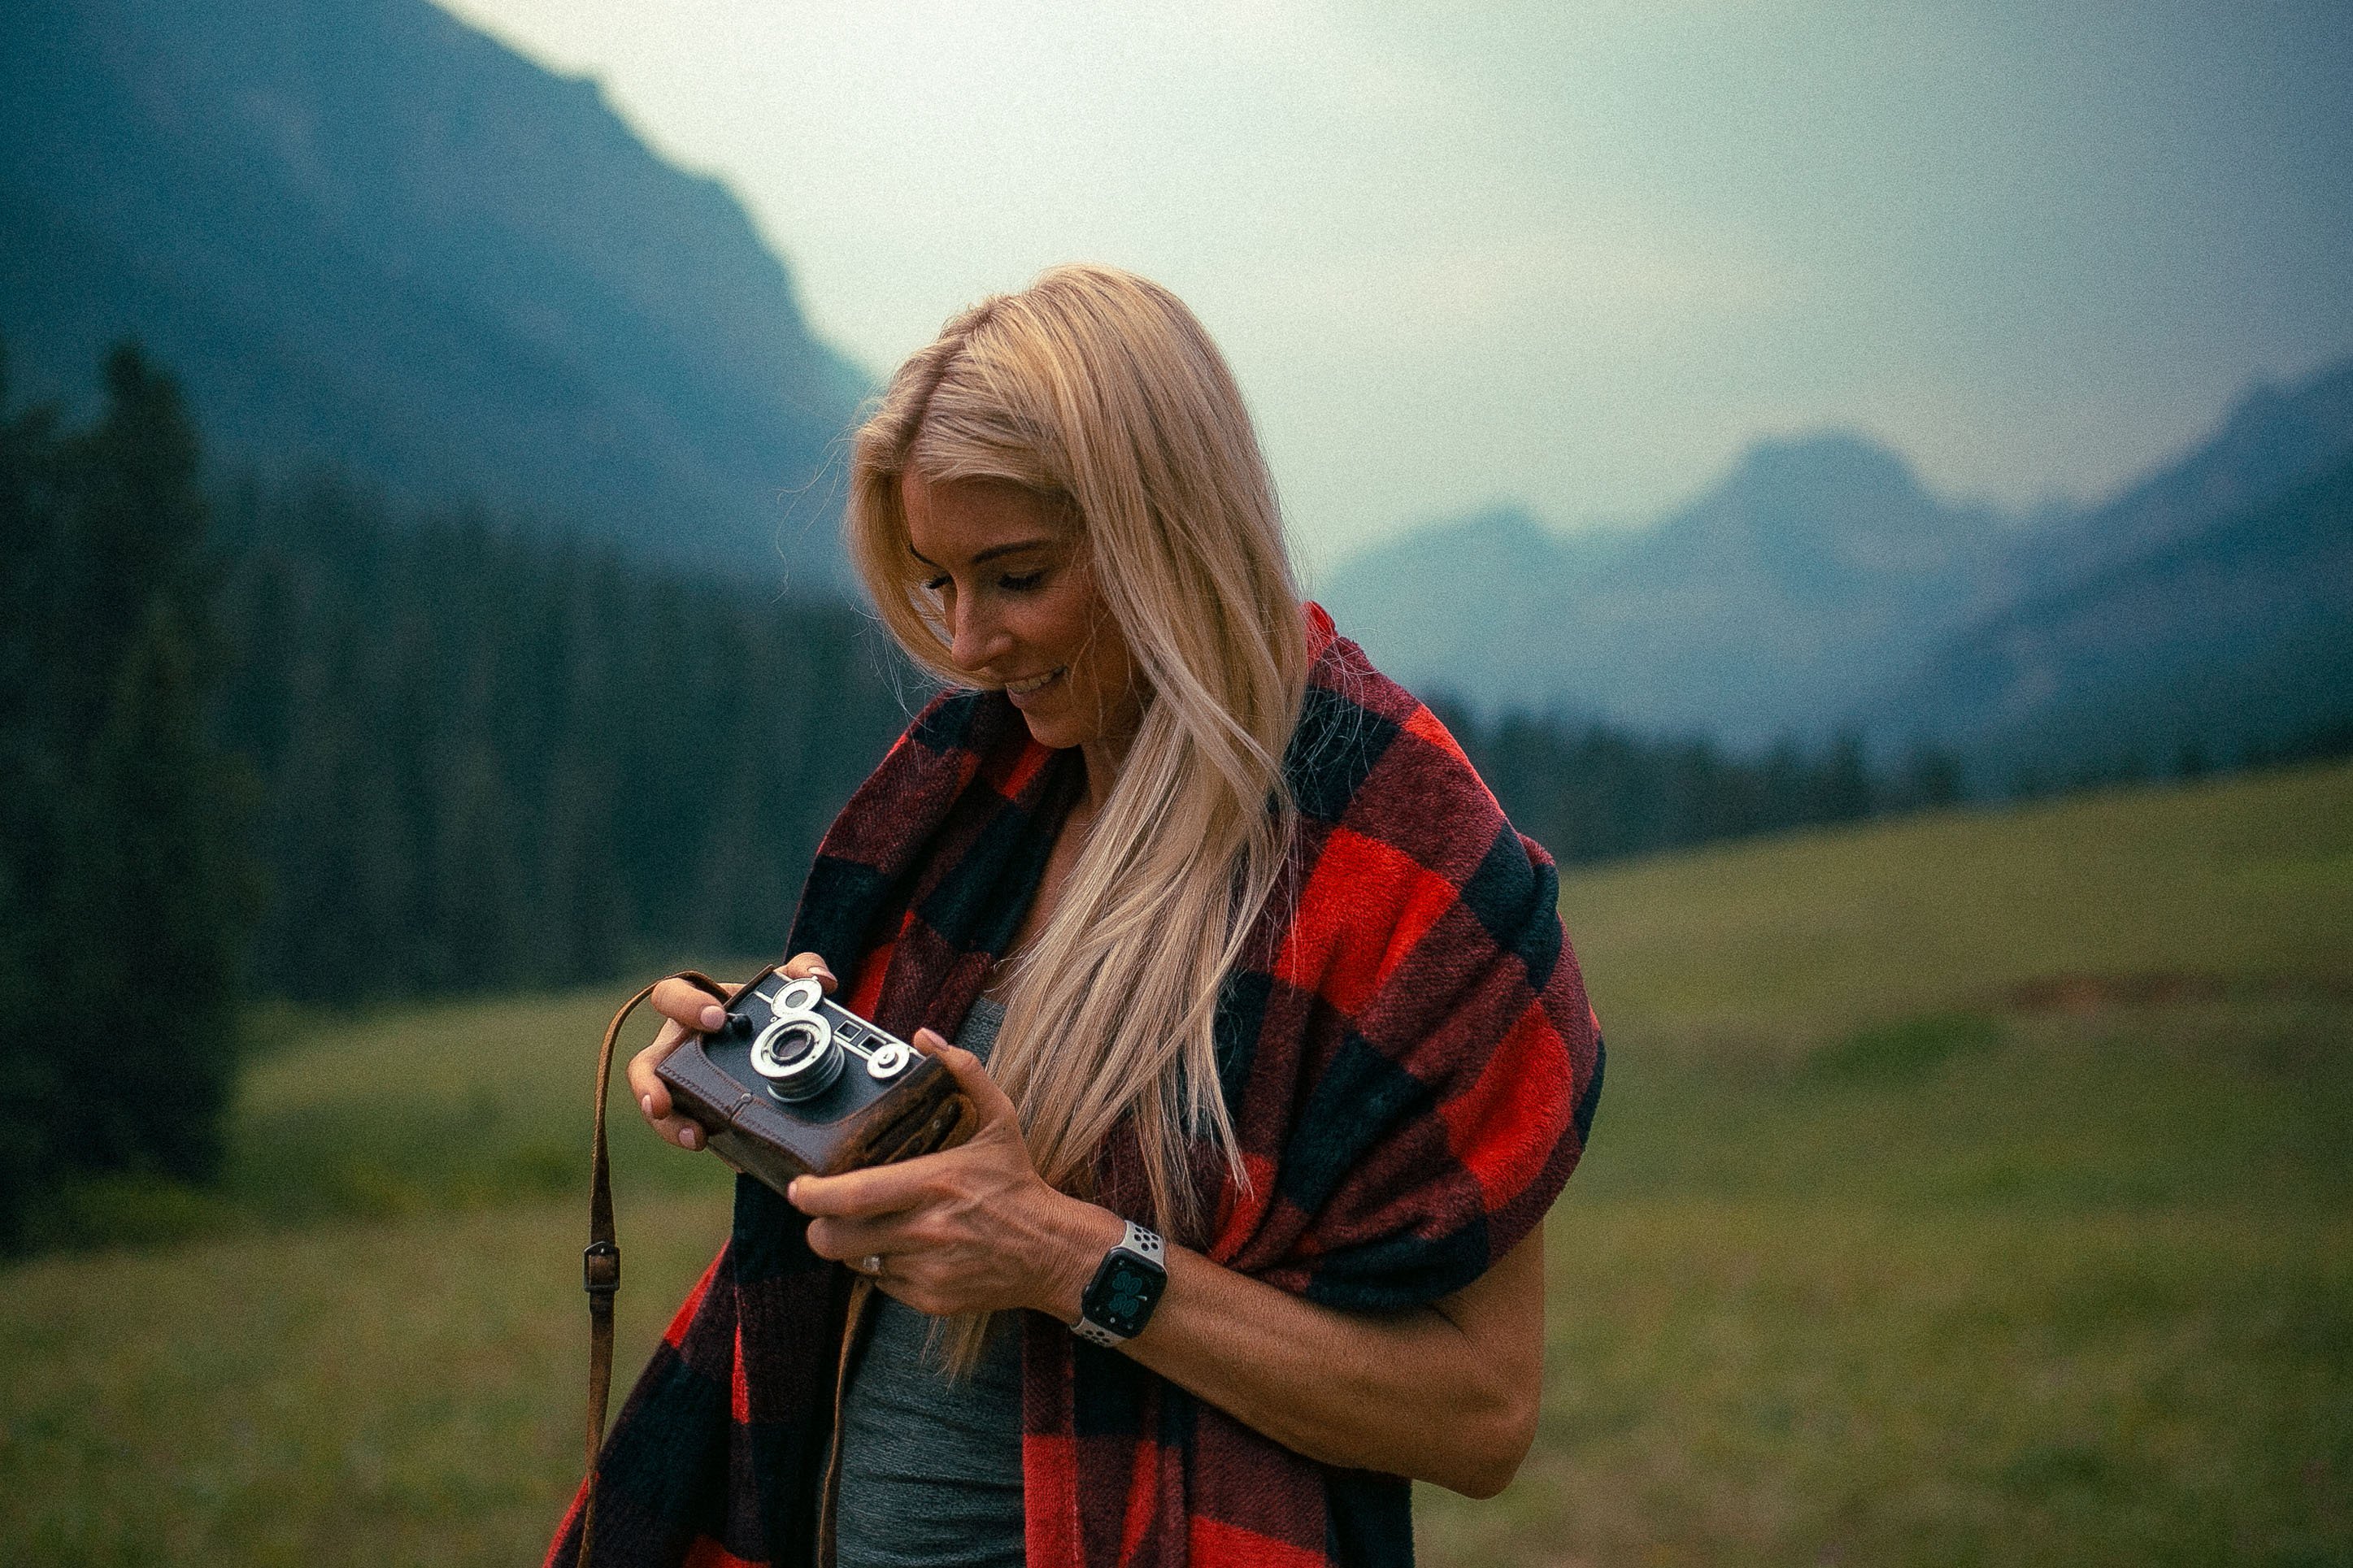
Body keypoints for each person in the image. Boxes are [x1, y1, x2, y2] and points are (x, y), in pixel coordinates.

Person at [550, 264, 1603, 1568]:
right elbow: (928, 1204)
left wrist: (1066, 1256)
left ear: (1169, 529)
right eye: (938, 584)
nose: (968, 642)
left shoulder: (1411, 869)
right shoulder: (967, 797)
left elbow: (1479, 1414)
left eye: (1017, 576)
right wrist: (769, 1095)